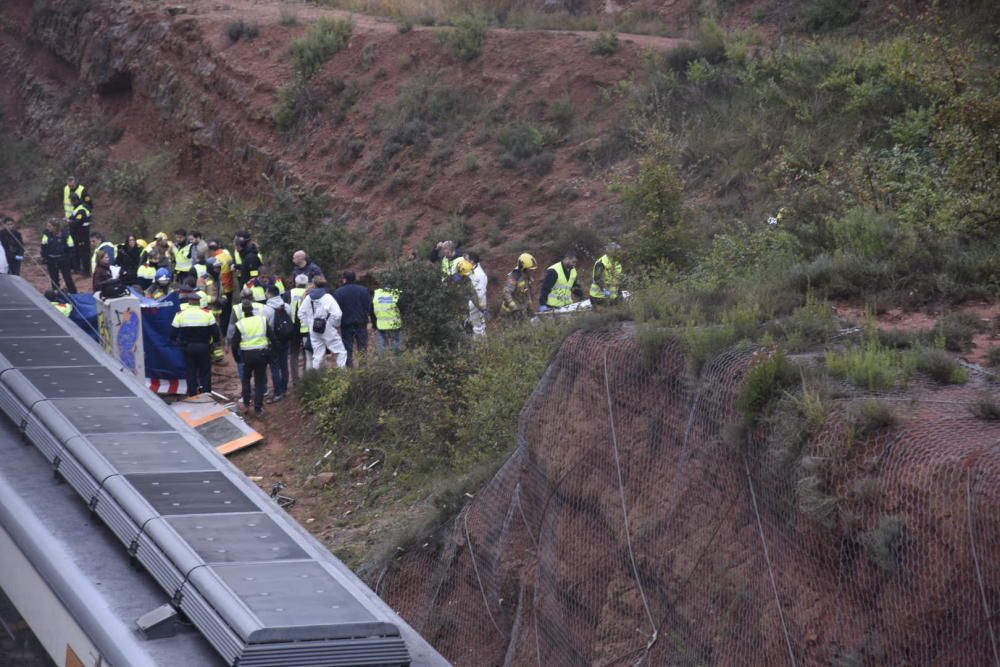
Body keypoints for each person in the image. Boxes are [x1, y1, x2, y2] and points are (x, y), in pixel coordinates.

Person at [171, 290, 221, 397]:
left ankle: (192, 394)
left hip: (188, 347)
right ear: (199, 302)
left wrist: (177, 342)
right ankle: (206, 392)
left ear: (189, 301)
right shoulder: (208, 314)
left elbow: (173, 333)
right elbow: (215, 333)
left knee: (191, 371)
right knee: (205, 371)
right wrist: (214, 343)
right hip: (204, 347)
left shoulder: (180, 314)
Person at [231, 298, 271, 416]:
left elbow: (234, 343)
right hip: (261, 354)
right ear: (253, 309)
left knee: (246, 379)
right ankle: (258, 408)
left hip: (246, 356)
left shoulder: (240, 324)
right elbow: (272, 337)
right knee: (259, 382)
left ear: (243, 311)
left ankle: (246, 404)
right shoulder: (262, 321)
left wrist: (236, 357)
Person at [298, 276, 347, 370]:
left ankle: (315, 378)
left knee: (317, 355)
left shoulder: (308, 298)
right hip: (326, 327)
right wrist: (332, 325)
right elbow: (337, 314)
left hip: (313, 329)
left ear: (314, 284)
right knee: (340, 352)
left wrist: (309, 324)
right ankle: (342, 376)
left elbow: (301, 313)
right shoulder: (327, 297)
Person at [333, 271, 372, 367]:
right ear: (355, 278)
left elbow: (335, 310)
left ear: (344, 279)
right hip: (361, 323)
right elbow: (369, 306)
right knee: (362, 348)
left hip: (346, 324)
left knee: (347, 349)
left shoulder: (338, 292)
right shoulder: (364, 290)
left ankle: (350, 372)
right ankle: (363, 371)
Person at [263, 285, 292, 402]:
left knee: (274, 366)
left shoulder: (266, 309)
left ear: (269, 294)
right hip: (286, 338)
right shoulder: (286, 306)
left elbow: (265, 326)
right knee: (284, 363)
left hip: (273, 340)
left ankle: (278, 392)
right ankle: (284, 388)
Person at [40, 218, 77, 294]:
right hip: (51, 260)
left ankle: (74, 293)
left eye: (50, 226)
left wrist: (69, 259)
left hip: (63, 260)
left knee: (68, 278)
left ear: (55, 226)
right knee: (54, 279)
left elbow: (71, 247)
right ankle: (55, 294)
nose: (48, 228)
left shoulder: (65, 234)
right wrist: (45, 257)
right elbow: (43, 246)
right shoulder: (46, 234)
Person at [208, 238, 235, 334]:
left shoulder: (215, 260)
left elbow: (218, 275)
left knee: (220, 314)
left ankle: (221, 332)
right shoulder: (227, 255)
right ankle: (225, 331)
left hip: (221, 288)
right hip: (229, 287)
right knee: (227, 312)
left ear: (211, 251)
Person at [288, 273, 310, 384]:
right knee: (307, 352)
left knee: (294, 354)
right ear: (306, 283)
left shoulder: (289, 293)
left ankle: (295, 380)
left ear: (296, 283)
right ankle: (306, 377)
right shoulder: (309, 293)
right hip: (306, 327)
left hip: (293, 327)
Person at [501, 253, 537, 318]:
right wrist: (514, 308)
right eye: (529, 269)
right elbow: (506, 293)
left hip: (521, 313)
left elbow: (527, 295)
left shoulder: (527, 277)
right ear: (524, 268)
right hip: (509, 314)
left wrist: (530, 309)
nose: (531, 271)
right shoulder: (514, 277)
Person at [589, 242, 624, 309]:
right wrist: (606, 291)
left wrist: (619, 293)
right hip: (599, 297)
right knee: (604, 317)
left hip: (613, 296)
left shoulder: (617, 262)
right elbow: (598, 279)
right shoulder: (602, 262)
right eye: (616, 251)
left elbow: (617, 278)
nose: (619, 253)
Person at [372, 282, 403, 355]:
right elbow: (402, 308)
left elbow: (372, 309)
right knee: (396, 342)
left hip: (381, 325)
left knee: (381, 345)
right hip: (395, 325)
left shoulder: (377, 294)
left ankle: (381, 362)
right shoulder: (396, 293)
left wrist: (374, 323)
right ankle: (399, 361)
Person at [68, 194, 93, 276]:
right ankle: (78, 269)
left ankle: (86, 271)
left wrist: (70, 221)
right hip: (79, 234)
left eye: (72, 201)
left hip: (83, 234)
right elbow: (73, 218)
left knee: (84, 253)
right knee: (79, 252)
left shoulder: (81, 210)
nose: (72, 203)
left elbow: (77, 222)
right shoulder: (78, 208)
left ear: (75, 200)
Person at [468, 252, 488, 337]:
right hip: (474, 303)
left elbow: (480, 293)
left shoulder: (479, 274)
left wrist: (480, 308)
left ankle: (482, 348)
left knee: (479, 328)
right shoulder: (472, 271)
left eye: (466, 259)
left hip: (477, 304)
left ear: (472, 261)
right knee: (475, 327)